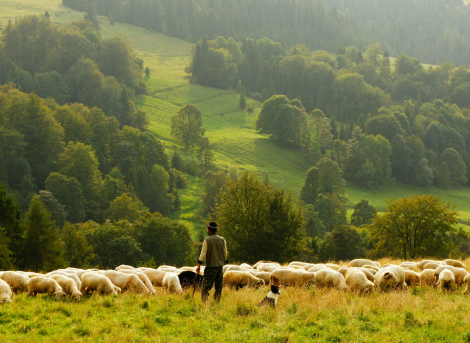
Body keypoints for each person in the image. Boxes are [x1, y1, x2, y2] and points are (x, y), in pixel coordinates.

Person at [196, 222, 227, 302]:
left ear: (209, 230)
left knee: (205, 286)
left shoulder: (207, 240)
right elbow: (225, 253)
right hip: (220, 267)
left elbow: (203, 254)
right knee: (218, 286)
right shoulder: (222, 240)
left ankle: (204, 302)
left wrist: (199, 265)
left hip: (210, 267)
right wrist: (224, 260)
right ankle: (217, 302)